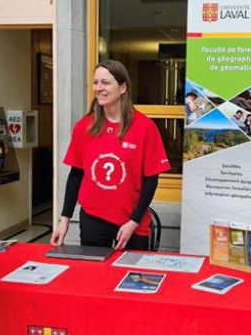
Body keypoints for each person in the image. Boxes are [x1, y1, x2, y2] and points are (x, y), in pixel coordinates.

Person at [50, 60, 170, 250]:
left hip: (132, 222)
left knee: (130, 278)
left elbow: (151, 181)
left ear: (123, 87)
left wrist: (133, 222)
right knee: (95, 277)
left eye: (106, 82)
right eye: (96, 82)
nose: (99, 88)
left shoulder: (145, 127)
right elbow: (76, 176)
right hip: (93, 220)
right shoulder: (85, 126)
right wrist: (64, 220)